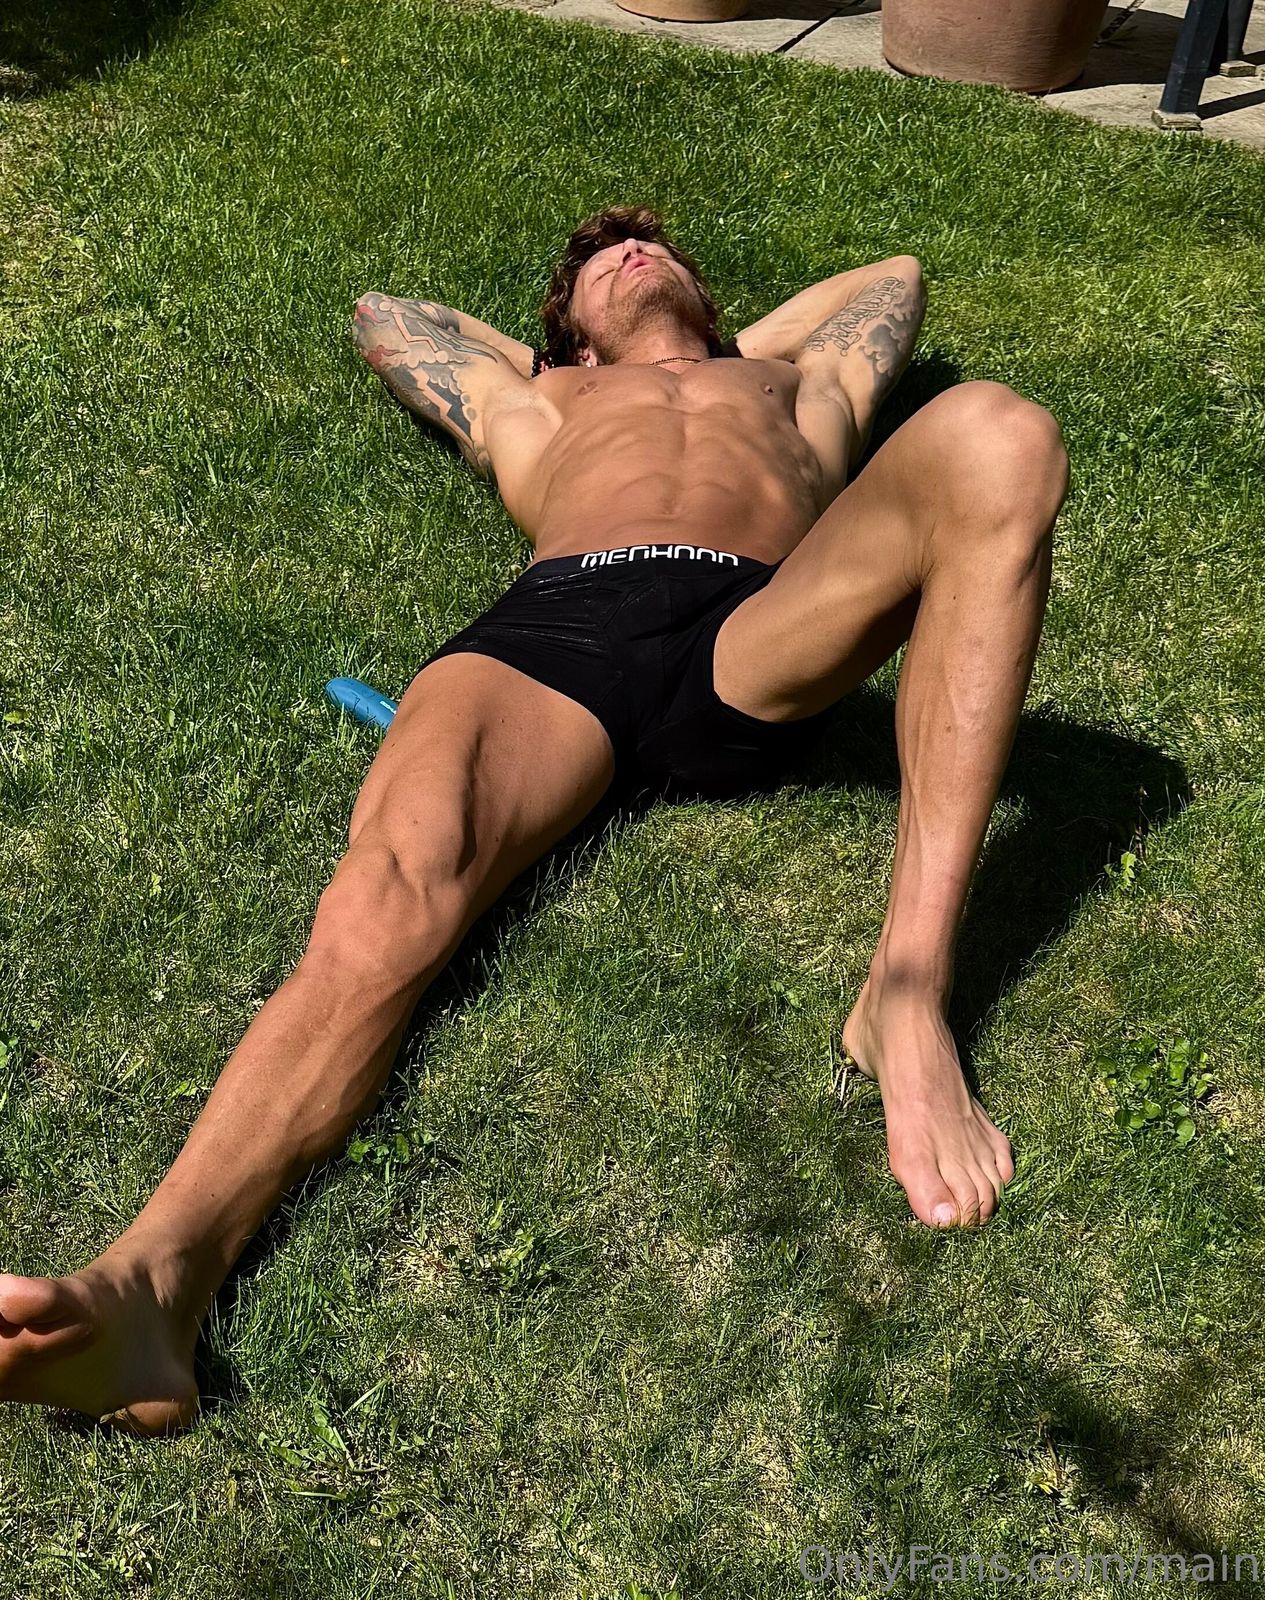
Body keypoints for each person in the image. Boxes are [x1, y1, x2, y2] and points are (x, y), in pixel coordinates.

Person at [0, 204, 1069, 1434]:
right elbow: (387, 317)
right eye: (600, 260)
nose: (633, 249)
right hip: (556, 630)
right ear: (560, 334)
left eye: (654, 246)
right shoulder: (539, 401)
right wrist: (572, 355)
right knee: (387, 889)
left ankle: (904, 993)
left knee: (1000, 432)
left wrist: (707, 343)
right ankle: (150, 1287)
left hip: (762, 622)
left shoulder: (800, 384)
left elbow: (895, 276)